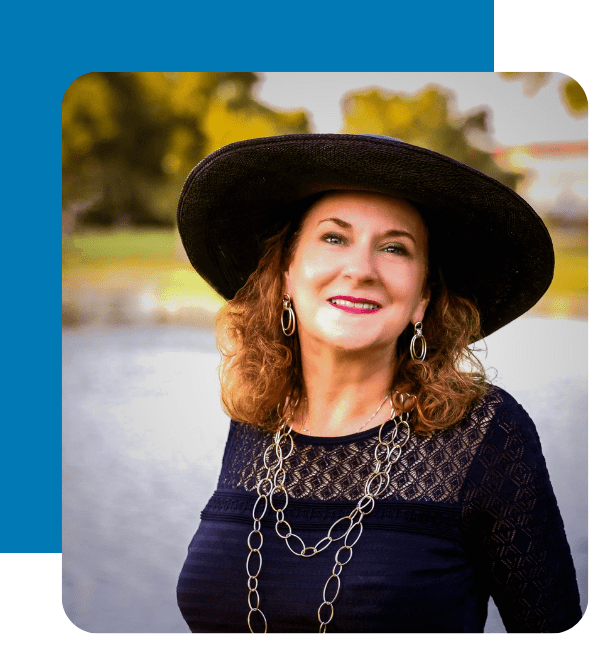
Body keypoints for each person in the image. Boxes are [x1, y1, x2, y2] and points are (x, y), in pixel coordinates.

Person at [175, 133, 582, 633]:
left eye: (394, 248)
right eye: (333, 238)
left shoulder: (484, 432)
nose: (360, 269)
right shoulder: (258, 419)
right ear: (285, 273)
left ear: (422, 300)